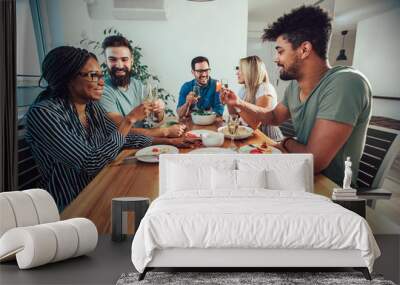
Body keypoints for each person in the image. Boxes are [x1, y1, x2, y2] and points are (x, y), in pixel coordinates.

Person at [221, 5, 372, 186]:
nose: (276, 59)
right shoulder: (294, 86)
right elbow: (274, 116)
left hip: (327, 190)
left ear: (304, 50)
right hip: (296, 173)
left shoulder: (345, 83)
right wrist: (238, 103)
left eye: (280, 51)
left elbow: (314, 160)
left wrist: (287, 142)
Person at [25, 46, 153, 210]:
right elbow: (91, 163)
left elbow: (120, 138)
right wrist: (129, 119)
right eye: (93, 76)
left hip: (102, 186)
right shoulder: (43, 114)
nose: (101, 82)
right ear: (68, 78)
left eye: (101, 75)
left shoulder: (91, 107)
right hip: (72, 203)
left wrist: (169, 142)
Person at [100, 35, 185, 138]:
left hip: (143, 143)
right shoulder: (102, 90)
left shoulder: (137, 84)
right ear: (106, 62)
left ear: (131, 61)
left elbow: (158, 119)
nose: (119, 65)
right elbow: (122, 132)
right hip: (122, 150)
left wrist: (160, 110)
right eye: (113, 59)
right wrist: (165, 132)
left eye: (124, 59)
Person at [227, 55, 283, 141]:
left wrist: (237, 105)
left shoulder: (265, 89)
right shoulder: (244, 89)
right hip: (251, 137)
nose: (237, 72)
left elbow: (255, 124)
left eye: (240, 69)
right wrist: (229, 102)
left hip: (268, 140)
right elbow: (234, 117)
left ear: (250, 72)